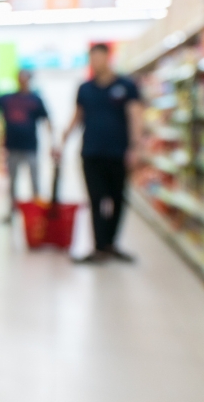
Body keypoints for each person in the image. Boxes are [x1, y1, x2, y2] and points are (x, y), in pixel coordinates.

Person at [55, 43, 144, 263]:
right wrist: (63, 140)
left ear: (107, 58)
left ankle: (111, 243)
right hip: (91, 152)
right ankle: (99, 247)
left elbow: (135, 116)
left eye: (99, 57)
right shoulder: (85, 88)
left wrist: (134, 147)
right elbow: (78, 116)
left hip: (118, 153)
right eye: (92, 58)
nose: (96, 62)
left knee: (117, 199)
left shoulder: (126, 85)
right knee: (95, 200)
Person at [0, 68, 50, 221]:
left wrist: (54, 143)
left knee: (35, 180)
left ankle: (37, 211)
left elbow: (46, 119)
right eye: (20, 77)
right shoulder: (8, 98)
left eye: (25, 78)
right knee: (12, 181)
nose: (22, 80)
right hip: (12, 147)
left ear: (29, 79)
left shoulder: (35, 99)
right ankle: (11, 211)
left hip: (30, 147)